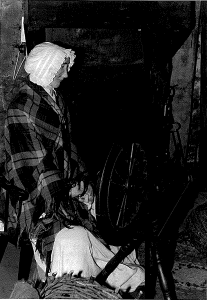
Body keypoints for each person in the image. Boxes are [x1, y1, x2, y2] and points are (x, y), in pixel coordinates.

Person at [3, 42, 145, 294]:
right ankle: (72, 286)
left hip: (62, 184)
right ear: (47, 68)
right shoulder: (21, 108)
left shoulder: (55, 98)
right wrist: (65, 192)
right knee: (73, 236)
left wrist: (82, 182)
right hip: (36, 196)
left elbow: (69, 149)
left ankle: (105, 280)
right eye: (62, 68)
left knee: (105, 214)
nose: (66, 74)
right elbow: (31, 164)